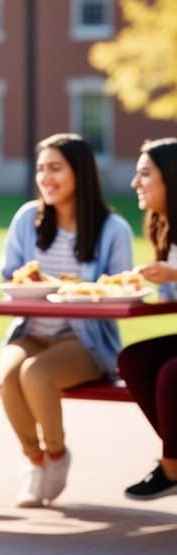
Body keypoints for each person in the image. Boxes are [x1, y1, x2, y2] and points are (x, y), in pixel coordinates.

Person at [0, 133, 134, 508]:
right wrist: (29, 280)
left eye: (55, 168)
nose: (46, 177)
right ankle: (35, 461)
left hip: (83, 340)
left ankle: (56, 455)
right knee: (6, 375)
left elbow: (121, 288)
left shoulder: (112, 230)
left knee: (35, 375)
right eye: (41, 169)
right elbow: (9, 276)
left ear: (81, 173)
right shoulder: (28, 218)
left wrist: (78, 289)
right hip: (31, 330)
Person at [118, 137, 177, 500]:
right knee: (134, 360)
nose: (134, 183)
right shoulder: (165, 228)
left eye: (144, 174)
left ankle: (171, 467)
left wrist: (172, 276)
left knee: (173, 374)